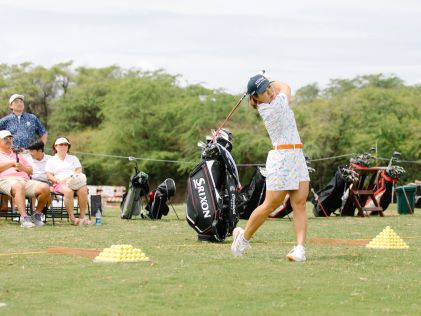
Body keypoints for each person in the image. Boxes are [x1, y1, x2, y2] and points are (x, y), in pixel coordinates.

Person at [231, 74, 310, 262]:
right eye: (264, 92)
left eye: (268, 88)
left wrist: (266, 81)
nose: (269, 93)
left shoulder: (272, 98)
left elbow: (281, 89)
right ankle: (243, 238)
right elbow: (287, 87)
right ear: (255, 98)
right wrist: (272, 81)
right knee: (271, 204)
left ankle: (299, 249)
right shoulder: (270, 108)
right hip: (281, 158)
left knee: (299, 203)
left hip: (296, 155)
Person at [0, 130, 50, 228]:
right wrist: (11, 163)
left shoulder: (18, 154)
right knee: (18, 186)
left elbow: (30, 170)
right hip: (5, 180)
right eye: (5, 138)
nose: (8, 140)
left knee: (45, 187)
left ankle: (36, 215)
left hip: (24, 181)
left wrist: (23, 168)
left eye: (10, 138)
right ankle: (24, 217)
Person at [45, 136, 92, 225]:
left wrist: (71, 177)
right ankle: (73, 218)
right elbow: (48, 175)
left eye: (66, 144)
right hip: (59, 184)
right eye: (61, 144)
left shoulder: (73, 158)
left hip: (74, 181)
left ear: (68, 146)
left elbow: (78, 170)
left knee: (83, 189)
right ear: (56, 146)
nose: (63, 146)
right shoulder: (51, 160)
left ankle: (82, 217)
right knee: (68, 192)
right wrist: (57, 181)